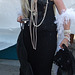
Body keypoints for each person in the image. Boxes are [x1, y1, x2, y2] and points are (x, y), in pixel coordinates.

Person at [17, 0, 70, 75]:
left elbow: (65, 15)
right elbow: (27, 12)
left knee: (43, 68)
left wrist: (66, 36)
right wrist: (22, 16)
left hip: (47, 38)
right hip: (28, 36)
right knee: (27, 68)